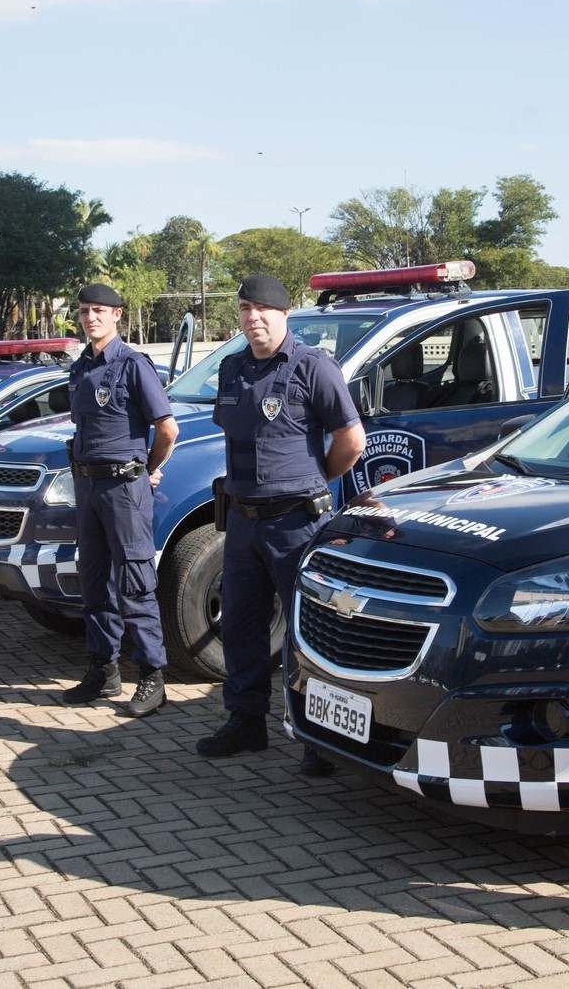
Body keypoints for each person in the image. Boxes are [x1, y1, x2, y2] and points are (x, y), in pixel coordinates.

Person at [195, 274, 365, 775]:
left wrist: (315, 481)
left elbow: (351, 441)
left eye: (262, 309)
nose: (252, 318)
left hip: (297, 524)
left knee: (307, 631)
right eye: (245, 309)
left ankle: (318, 737)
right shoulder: (232, 369)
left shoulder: (313, 367)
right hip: (243, 524)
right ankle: (246, 722)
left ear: (285, 314)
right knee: (242, 628)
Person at [62, 283, 178, 716]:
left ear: (117, 316)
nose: (91, 317)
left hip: (124, 488)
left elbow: (167, 429)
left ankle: (152, 676)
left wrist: (147, 469)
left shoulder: (133, 365)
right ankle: (103, 669)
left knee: (135, 582)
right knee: (94, 581)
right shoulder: (81, 368)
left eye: (99, 311)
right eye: (85, 311)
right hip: (88, 486)